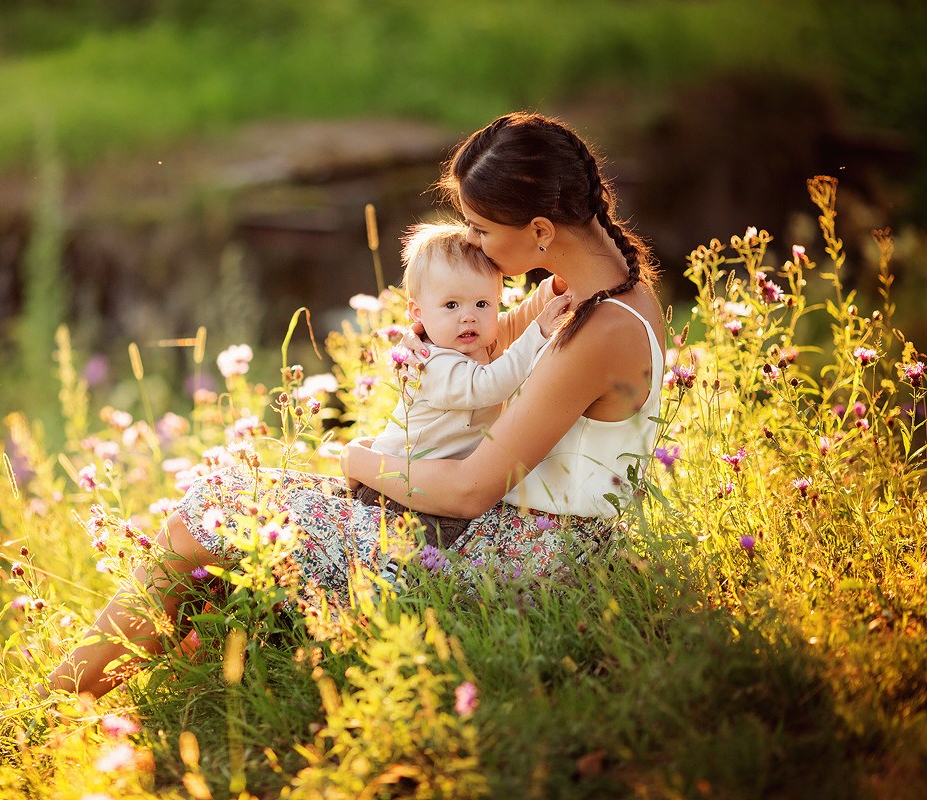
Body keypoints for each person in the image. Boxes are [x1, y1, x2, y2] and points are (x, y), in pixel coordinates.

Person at [43, 111, 663, 699]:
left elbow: (470, 490)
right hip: (496, 531)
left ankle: (48, 708)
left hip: (525, 560)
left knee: (207, 516)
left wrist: (358, 462)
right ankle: (135, 691)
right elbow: (492, 343)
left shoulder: (601, 326)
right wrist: (428, 337)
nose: (473, 244)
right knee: (230, 498)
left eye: (480, 229)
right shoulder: (592, 287)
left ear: (540, 231)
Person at [356, 222, 571, 553]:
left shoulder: (473, 342)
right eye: (451, 305)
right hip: (397, 489)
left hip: (435, 485)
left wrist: (556, 290)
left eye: (482, 304)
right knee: (410, 559)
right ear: (418, 312)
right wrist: (538, 333)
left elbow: (514, 322)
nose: (468, 317)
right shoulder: (432, 362)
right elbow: (488, 386)